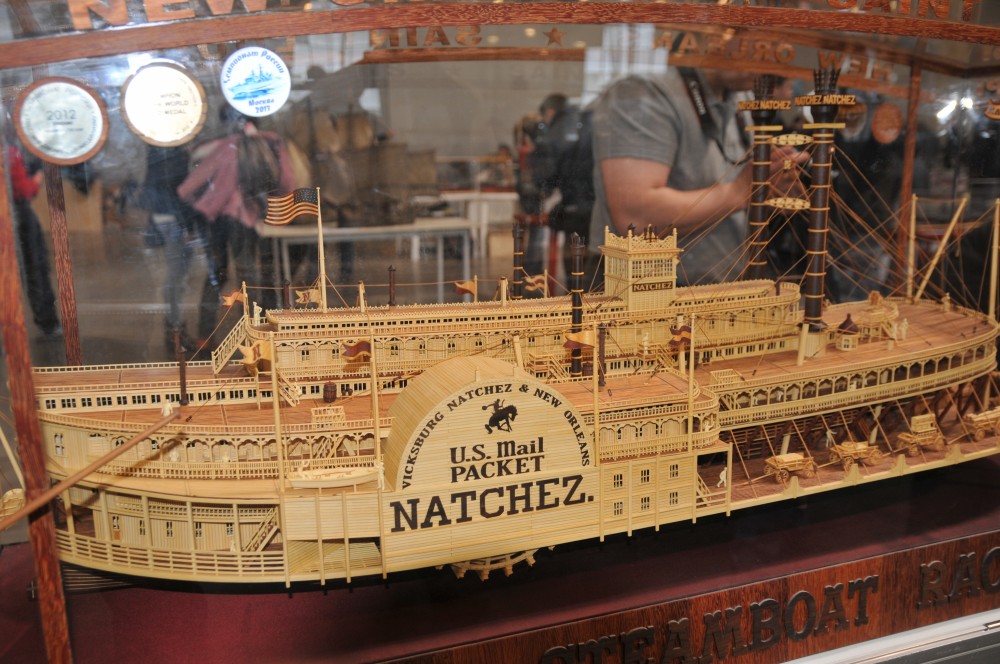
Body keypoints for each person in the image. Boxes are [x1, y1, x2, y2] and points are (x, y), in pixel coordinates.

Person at [588, 66, 806, 286]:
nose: (765, 59)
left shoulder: (742, 95)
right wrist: (740, 191)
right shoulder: (644, 93)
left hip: (721, 285)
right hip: (648, 290)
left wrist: (769, 189)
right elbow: (636, 218)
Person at [178, 108, 294, 346]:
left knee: (216, 275)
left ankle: (205, 336)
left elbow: (188, 188)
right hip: (257, 218)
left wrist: (202, 205)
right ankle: (260, 333)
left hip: (218, 220)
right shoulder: (271, 143)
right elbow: (287, 182)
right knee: (257, 275)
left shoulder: (224, 147)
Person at [531, 93, 596, 284]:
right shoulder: (586, 122)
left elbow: (546, 176)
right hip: (596, 204)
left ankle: (575, 294)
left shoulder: (558, 130)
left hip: (575, 205)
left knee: (574, 262)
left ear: (550, 111)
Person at [141, 144, 199, 351]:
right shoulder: (174, 154)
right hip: (175, 220)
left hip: (163, 216)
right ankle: (175, 331)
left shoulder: (157, 150)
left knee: (175, 278)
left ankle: (174, 330)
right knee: (177, 278)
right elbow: (179, 191)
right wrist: (188, 226)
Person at [6, 140, 60, 336]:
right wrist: (38, 178)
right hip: (18, 215)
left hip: (13, 215)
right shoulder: (8, 151)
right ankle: (47, 323)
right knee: (35, 269)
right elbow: (23, 190)